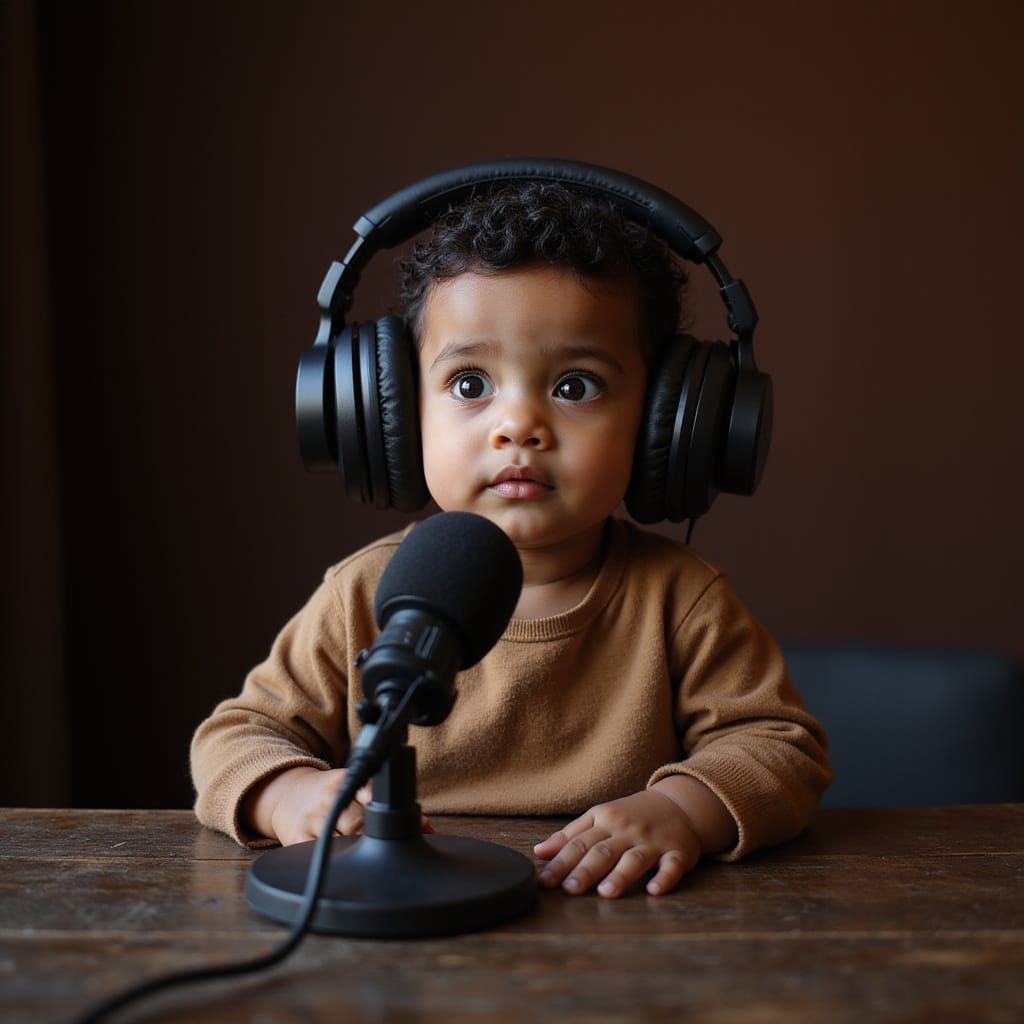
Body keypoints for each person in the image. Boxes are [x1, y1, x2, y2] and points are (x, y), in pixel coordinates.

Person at [191, 180, 832, 900]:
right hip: (402, 922)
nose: (518, 425)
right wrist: (288, 796)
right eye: (470, 385)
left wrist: (682, 810)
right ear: (391, 419)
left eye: (576, 386)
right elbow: (235, 736)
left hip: (611, 922)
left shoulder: (679, 600)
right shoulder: (365, 594)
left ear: (665, 421)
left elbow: (782, 749)